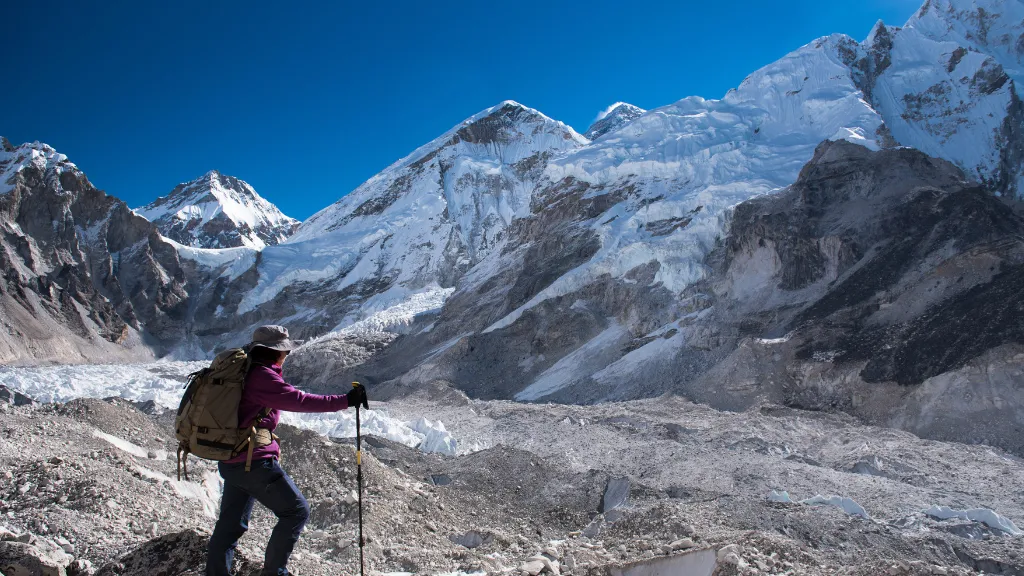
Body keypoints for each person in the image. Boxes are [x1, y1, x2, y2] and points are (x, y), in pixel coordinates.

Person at [206, 325, 368, 576]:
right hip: (253, 462)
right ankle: (275, 573)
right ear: (275, 352)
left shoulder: (245, 371)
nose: (287, 355)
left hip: (232, 459)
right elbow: (299, 401)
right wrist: (346, 400)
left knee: (230, 526)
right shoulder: (262, 377)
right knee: (296, 510)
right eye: (285, 351)